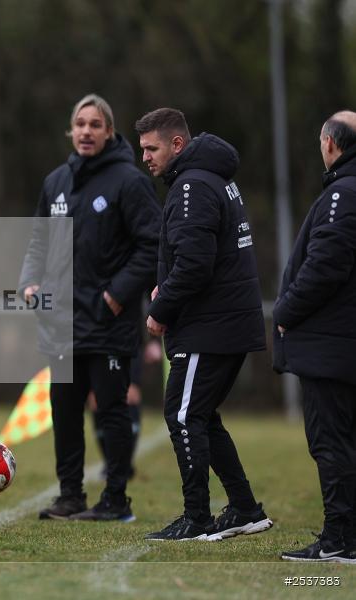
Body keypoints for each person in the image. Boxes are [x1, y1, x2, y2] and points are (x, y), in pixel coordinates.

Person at [20, 94, 161, 522]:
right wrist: (30, 281)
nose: (85, 131)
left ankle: (116, 499)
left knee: (112, 412)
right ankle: (70, 496)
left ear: (109, 131)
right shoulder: (56, 182)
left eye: (95, 124)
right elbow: (39, 242)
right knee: (64, 412)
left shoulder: (129, 182)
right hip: (60, 323)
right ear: (71, 130)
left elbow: (151, 245)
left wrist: (116, 295)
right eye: (79, 123)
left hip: (108, 322)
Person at [135, 107, 272, 542]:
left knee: (182, 414)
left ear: (177, 144)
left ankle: (196, 518)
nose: (145, 158)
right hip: (225, 322)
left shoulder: (192, 184)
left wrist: (161, 309)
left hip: (209, 326)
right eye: (142, 149)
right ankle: (246, 508)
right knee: (203, 416)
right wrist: (166, 288)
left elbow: (195, 265)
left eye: (151, 148)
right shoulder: (213, 178)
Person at [274, 111, 356, 563]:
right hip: (344, 342)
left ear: (329, 143)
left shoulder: (342, 193)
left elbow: (326, 266)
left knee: (332, 442)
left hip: (331, 344)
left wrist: (285, 311)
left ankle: (340, 539)